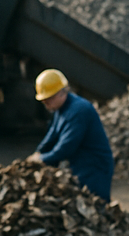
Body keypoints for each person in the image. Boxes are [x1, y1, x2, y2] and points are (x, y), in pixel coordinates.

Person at [29, 68, 115, 201]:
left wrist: (42, 159)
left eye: (48, 99)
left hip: (94, 168)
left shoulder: (79, 111)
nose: (45, 104)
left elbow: (66, 147)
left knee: (96, 205)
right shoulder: (60, 109)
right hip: (80, 165)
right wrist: (38, 152)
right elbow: (53, 135)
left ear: (61, 93)